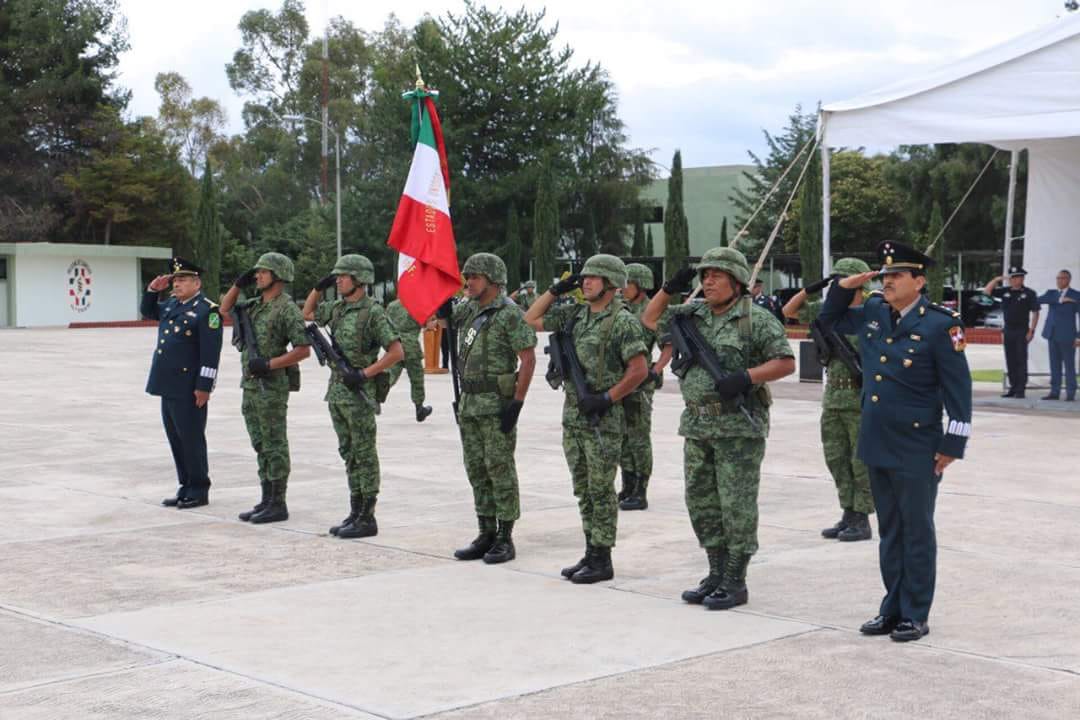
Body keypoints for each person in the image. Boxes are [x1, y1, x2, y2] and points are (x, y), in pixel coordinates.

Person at [818, 240, 972, 642]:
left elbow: (959, 392)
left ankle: (915, 613)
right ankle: (892, 608)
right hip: (877, 441)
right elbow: (827, 319)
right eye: (884, 275)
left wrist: (952, 446)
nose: (886, 281)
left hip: (918, 445)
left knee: (916, 530)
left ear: (919, 281)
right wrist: (842, 285)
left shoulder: (941, 325)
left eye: (896, 275)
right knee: (890, 530)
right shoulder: (871, 311)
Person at [643, 248, 795, 610]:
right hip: (697, 424)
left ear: (737, 281)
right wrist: (668, 289)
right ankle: (714, 572)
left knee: (736, 505)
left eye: (716, 275)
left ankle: (735, 579)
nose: (707, 281)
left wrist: (747, 377)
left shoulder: (754, 319)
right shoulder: (691, 314)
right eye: (704, 275)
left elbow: (785, 362)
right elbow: (649, 320)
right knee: (702, 503)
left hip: (737, 428)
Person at [525, 254, 648, 583]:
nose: (585, 282)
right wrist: (555, 290)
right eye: (584, 277)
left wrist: (608, 397)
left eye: (593, 277)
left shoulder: (622, 321)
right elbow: (531, 319)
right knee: (582, 488)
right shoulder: (576, 315)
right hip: (574, 416)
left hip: (602, 419)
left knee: (600, 489)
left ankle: (602, 557)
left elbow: (639, 370)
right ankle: (590, 550)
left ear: (610, 284)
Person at [442, 253, 537, 564]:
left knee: (500, 470)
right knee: (477, 470)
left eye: (475, 277)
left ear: (494, 280)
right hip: (469, 404)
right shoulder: (469, 309)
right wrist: (437, 300)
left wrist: (517, 404)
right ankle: (484, 531)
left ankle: (505, 536)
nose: (468, 282)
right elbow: (441, 319)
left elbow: (528, 360)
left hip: (496, 405)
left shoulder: (509, 314)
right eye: (467, 276)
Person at [303, 254, 403, 538]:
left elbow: (396, 352)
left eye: (343, 276)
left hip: (358, 394)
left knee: (364, 455)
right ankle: (355, 510)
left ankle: (367, 516)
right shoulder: (337, 308)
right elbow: (307, 314)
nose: (339, 280)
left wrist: (364, 374)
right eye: (337, 276)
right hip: (336, 392)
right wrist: (317, 288)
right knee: (348, 453)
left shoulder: (373, 312)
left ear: (359, 280)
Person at [782, 259, 875, 542]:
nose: (839, 287)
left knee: (860, 462)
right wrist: (812, 289)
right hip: (833, 399)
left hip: (860, 401)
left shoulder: (872, 315)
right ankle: (847, 511)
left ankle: (862, 517)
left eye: (845, 281)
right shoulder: (827, 314)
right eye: (836, 282)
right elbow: (788, 311)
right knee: (836, 459)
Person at [220, 252, 311, 524]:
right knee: (259, 442)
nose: (257, 276)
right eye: (255, 272)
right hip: (249, 384)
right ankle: (266, 497)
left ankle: (278, 502)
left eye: (262, 272)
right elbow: (224, 309)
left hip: (270, 386)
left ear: (278, 276)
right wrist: (238, 284)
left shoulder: (286, 308)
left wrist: (270, 364)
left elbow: (303, 349)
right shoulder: (254, 304)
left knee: (274, 443)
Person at [141, 258, 223, 508]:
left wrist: (204, 387)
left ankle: (199, 489)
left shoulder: (207, 311)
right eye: (175, 280)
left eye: (183, 279)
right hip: (168, 384)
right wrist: (153, 291)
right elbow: (148, 311)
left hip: (189, 387)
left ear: (196, 283)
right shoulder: (172, 305)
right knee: (176, 437)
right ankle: (185, 485)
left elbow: (211, 353)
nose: (176, 284)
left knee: (191, 438)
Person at [617, 263, 672, 511]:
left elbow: (668, 345)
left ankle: (641, 491)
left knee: (638, 438)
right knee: (622, 437)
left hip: (640, 383)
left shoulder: (651, 311)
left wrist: (656, 370)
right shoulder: (620, 308)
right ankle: (627, 486)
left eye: (628, 284)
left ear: (641, 285)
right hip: (619, 380)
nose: (623, 288)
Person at [982, 267, 1039, 398]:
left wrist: (1032, 330)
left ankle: (1020, 389)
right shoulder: (1005, 292)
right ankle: (1013, 388)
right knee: (1011, 360)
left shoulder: (1029, 293)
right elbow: (986, 292)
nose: (1014, 280)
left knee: (1021, 360)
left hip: (1022, 330)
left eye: (1017, 277)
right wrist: (997, 279)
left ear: (1022, 278)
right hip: (1008, 330)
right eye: (1012, 278)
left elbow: (1036, 312)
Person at [385, 297, 433, 421]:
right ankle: (419, 408)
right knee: (416, 378)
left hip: (395, 345)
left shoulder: (391, 305)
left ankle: (374, 399)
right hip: (411, 346)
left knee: (390, 375)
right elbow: (428, 325)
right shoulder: (418, 304)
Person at [1036, 269, 1080, 401]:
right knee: (1054, 365)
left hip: (1068, 336)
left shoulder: (1076, 295)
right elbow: (1039, 300)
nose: (1059, 280)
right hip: (1052, 334)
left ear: (1069, 280)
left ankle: (1070, 393)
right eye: (1058, 278)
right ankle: (1054, 392)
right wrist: (1061, 299)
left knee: (1069, 365)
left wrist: (1078, 336)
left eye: (1063, 278)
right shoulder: (1052, 293)